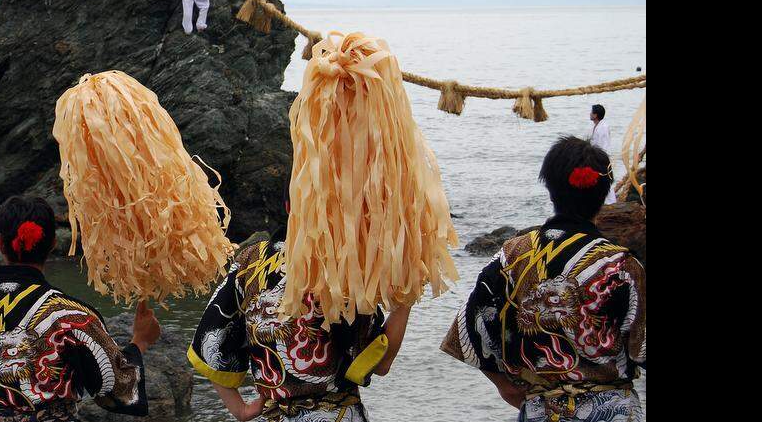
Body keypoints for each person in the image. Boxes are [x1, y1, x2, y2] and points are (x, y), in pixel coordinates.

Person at [440, 136, 646, 422]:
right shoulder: (622, 266)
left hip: (541, 412)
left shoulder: (511, 257)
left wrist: (507, 387)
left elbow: (469, 334)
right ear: (604, 195)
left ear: (550, 191)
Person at [0, 195, 161, 422]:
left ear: (1, 244)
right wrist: (140, 341)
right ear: (53, 244)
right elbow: (117, 390)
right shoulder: (73, 315)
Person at [188, 180, 412, 422]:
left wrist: (240, 409)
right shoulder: (341, 268)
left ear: (287, 206)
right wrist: (406, 299)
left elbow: (210, 344)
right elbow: (380, 363)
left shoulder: (251, 261)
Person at [587, 104, 617, 204]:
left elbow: (604, 146)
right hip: (595, 157)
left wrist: (600, 159)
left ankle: (611, 203)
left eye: (591, 112)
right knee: (597, 181)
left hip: (601, 158)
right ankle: (599, 201)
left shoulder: (603, 127)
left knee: (605, 181)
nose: (590, 114)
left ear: (595, 115)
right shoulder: (594, 126)